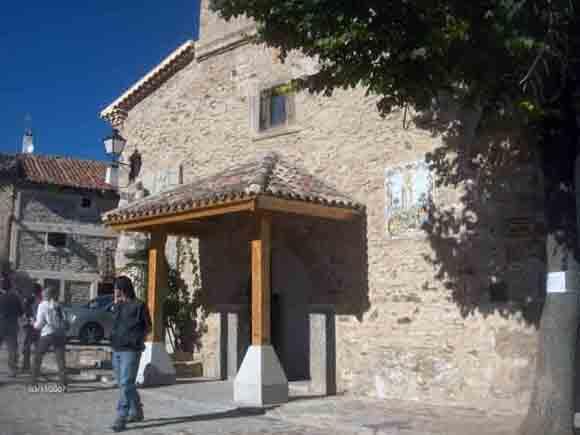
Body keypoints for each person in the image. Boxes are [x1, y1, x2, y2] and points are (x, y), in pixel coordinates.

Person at [110, 275, 151, 432]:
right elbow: (114, 325)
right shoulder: (118, 306)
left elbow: (148, 326)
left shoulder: (139, 305)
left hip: (131, 350)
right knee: (124, 383)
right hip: (117, 349)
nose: (114, 291)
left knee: (126, 382)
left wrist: (136, 339)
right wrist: (115, 304)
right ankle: (137, 410)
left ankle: (121, 416)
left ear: (122, 289)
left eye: (116, 288)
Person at [32, 285, 68, 386]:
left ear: (46, 295)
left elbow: (39, 324)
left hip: (47, 334)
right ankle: (63, 384)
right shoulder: (59, 305)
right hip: (60, 334)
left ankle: (34, 381)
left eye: (44, 293)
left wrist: (33, 323)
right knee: (61, 360)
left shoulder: (43, 305)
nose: (42, 294)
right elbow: (64, 319)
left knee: (37, 357)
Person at [0, 272, 23, 377]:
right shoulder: (15, 297)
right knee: (12, 348)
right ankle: (12, 370)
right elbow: (20, 312)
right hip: (12, 324)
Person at [21, 283, 42, 372]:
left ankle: (26, 366)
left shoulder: (29, 299)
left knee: (27, 347)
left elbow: (24, 311)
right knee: (38, 348)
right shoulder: (42, 300)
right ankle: (36, 367)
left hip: (30, 326)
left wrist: (28, 319)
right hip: (38, 326)